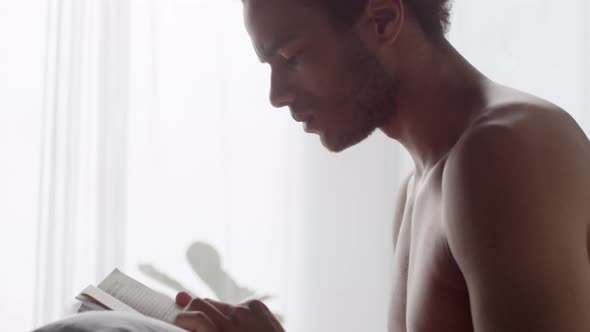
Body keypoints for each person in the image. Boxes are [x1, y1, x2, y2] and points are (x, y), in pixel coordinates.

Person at [172, 0, 590, 331]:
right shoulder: (416, 189)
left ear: (383, 20)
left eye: (292, 56)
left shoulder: (503, 151)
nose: (276, 95)